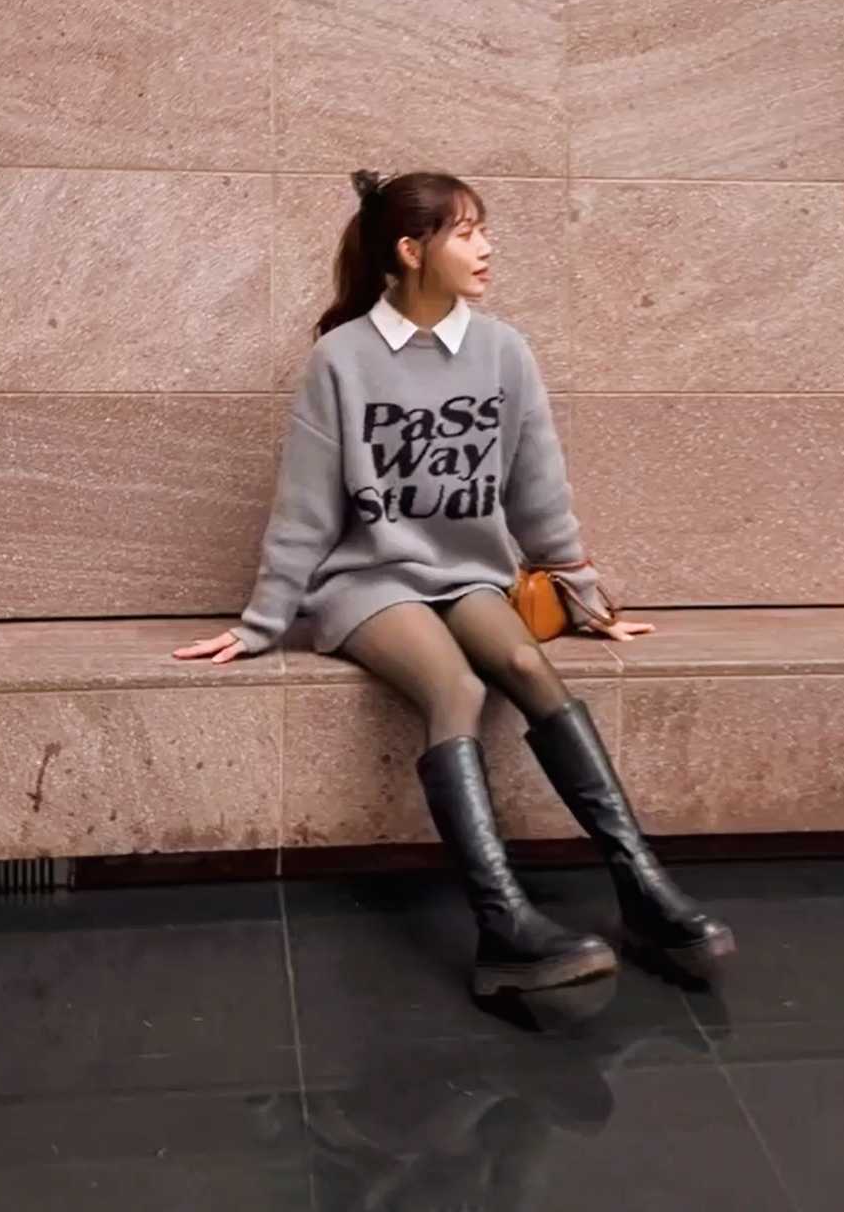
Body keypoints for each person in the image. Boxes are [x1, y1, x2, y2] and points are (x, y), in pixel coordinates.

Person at [174, 169, 735, 999]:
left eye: (482, 230)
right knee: (456, 688)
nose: (486, 247)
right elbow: (304, 508)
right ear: (411, 250)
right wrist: (261, 624)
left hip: (467, 575)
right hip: (366, 581)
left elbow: (538, 490)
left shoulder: (503, 351)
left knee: (527, 665)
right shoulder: (342, 359)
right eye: (466, 233)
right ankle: (503, 927)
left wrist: (585, 600)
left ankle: (643, 891)